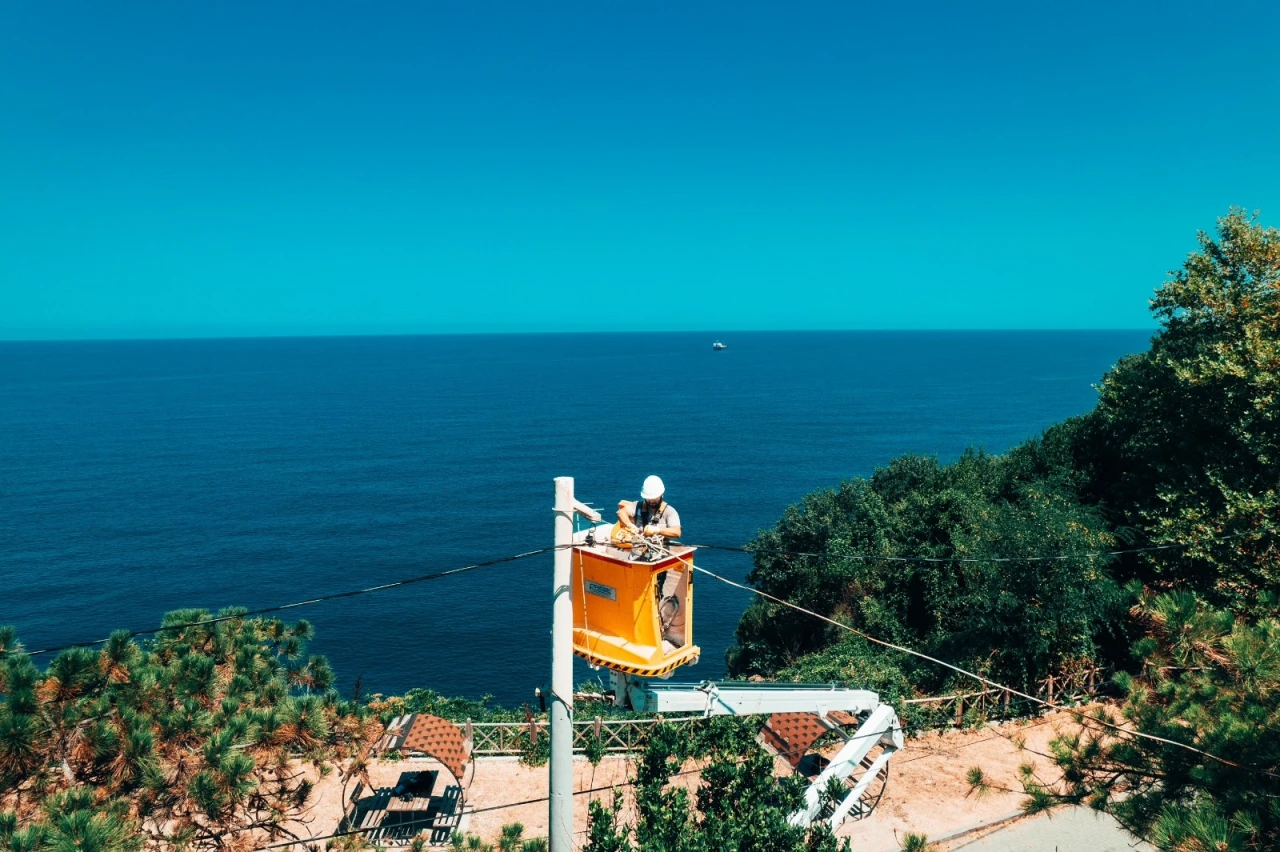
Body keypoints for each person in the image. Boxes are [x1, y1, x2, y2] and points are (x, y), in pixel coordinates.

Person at [618, 475, 681, 541]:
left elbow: (677, 532)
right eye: (649, 499)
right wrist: (629, 525)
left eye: (655, 498)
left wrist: (658, 530)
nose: (652, 501)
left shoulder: (669, 511)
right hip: (637, 542)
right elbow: (621, 512)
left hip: (659, 545)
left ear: (661, 495)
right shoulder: (637, 506)